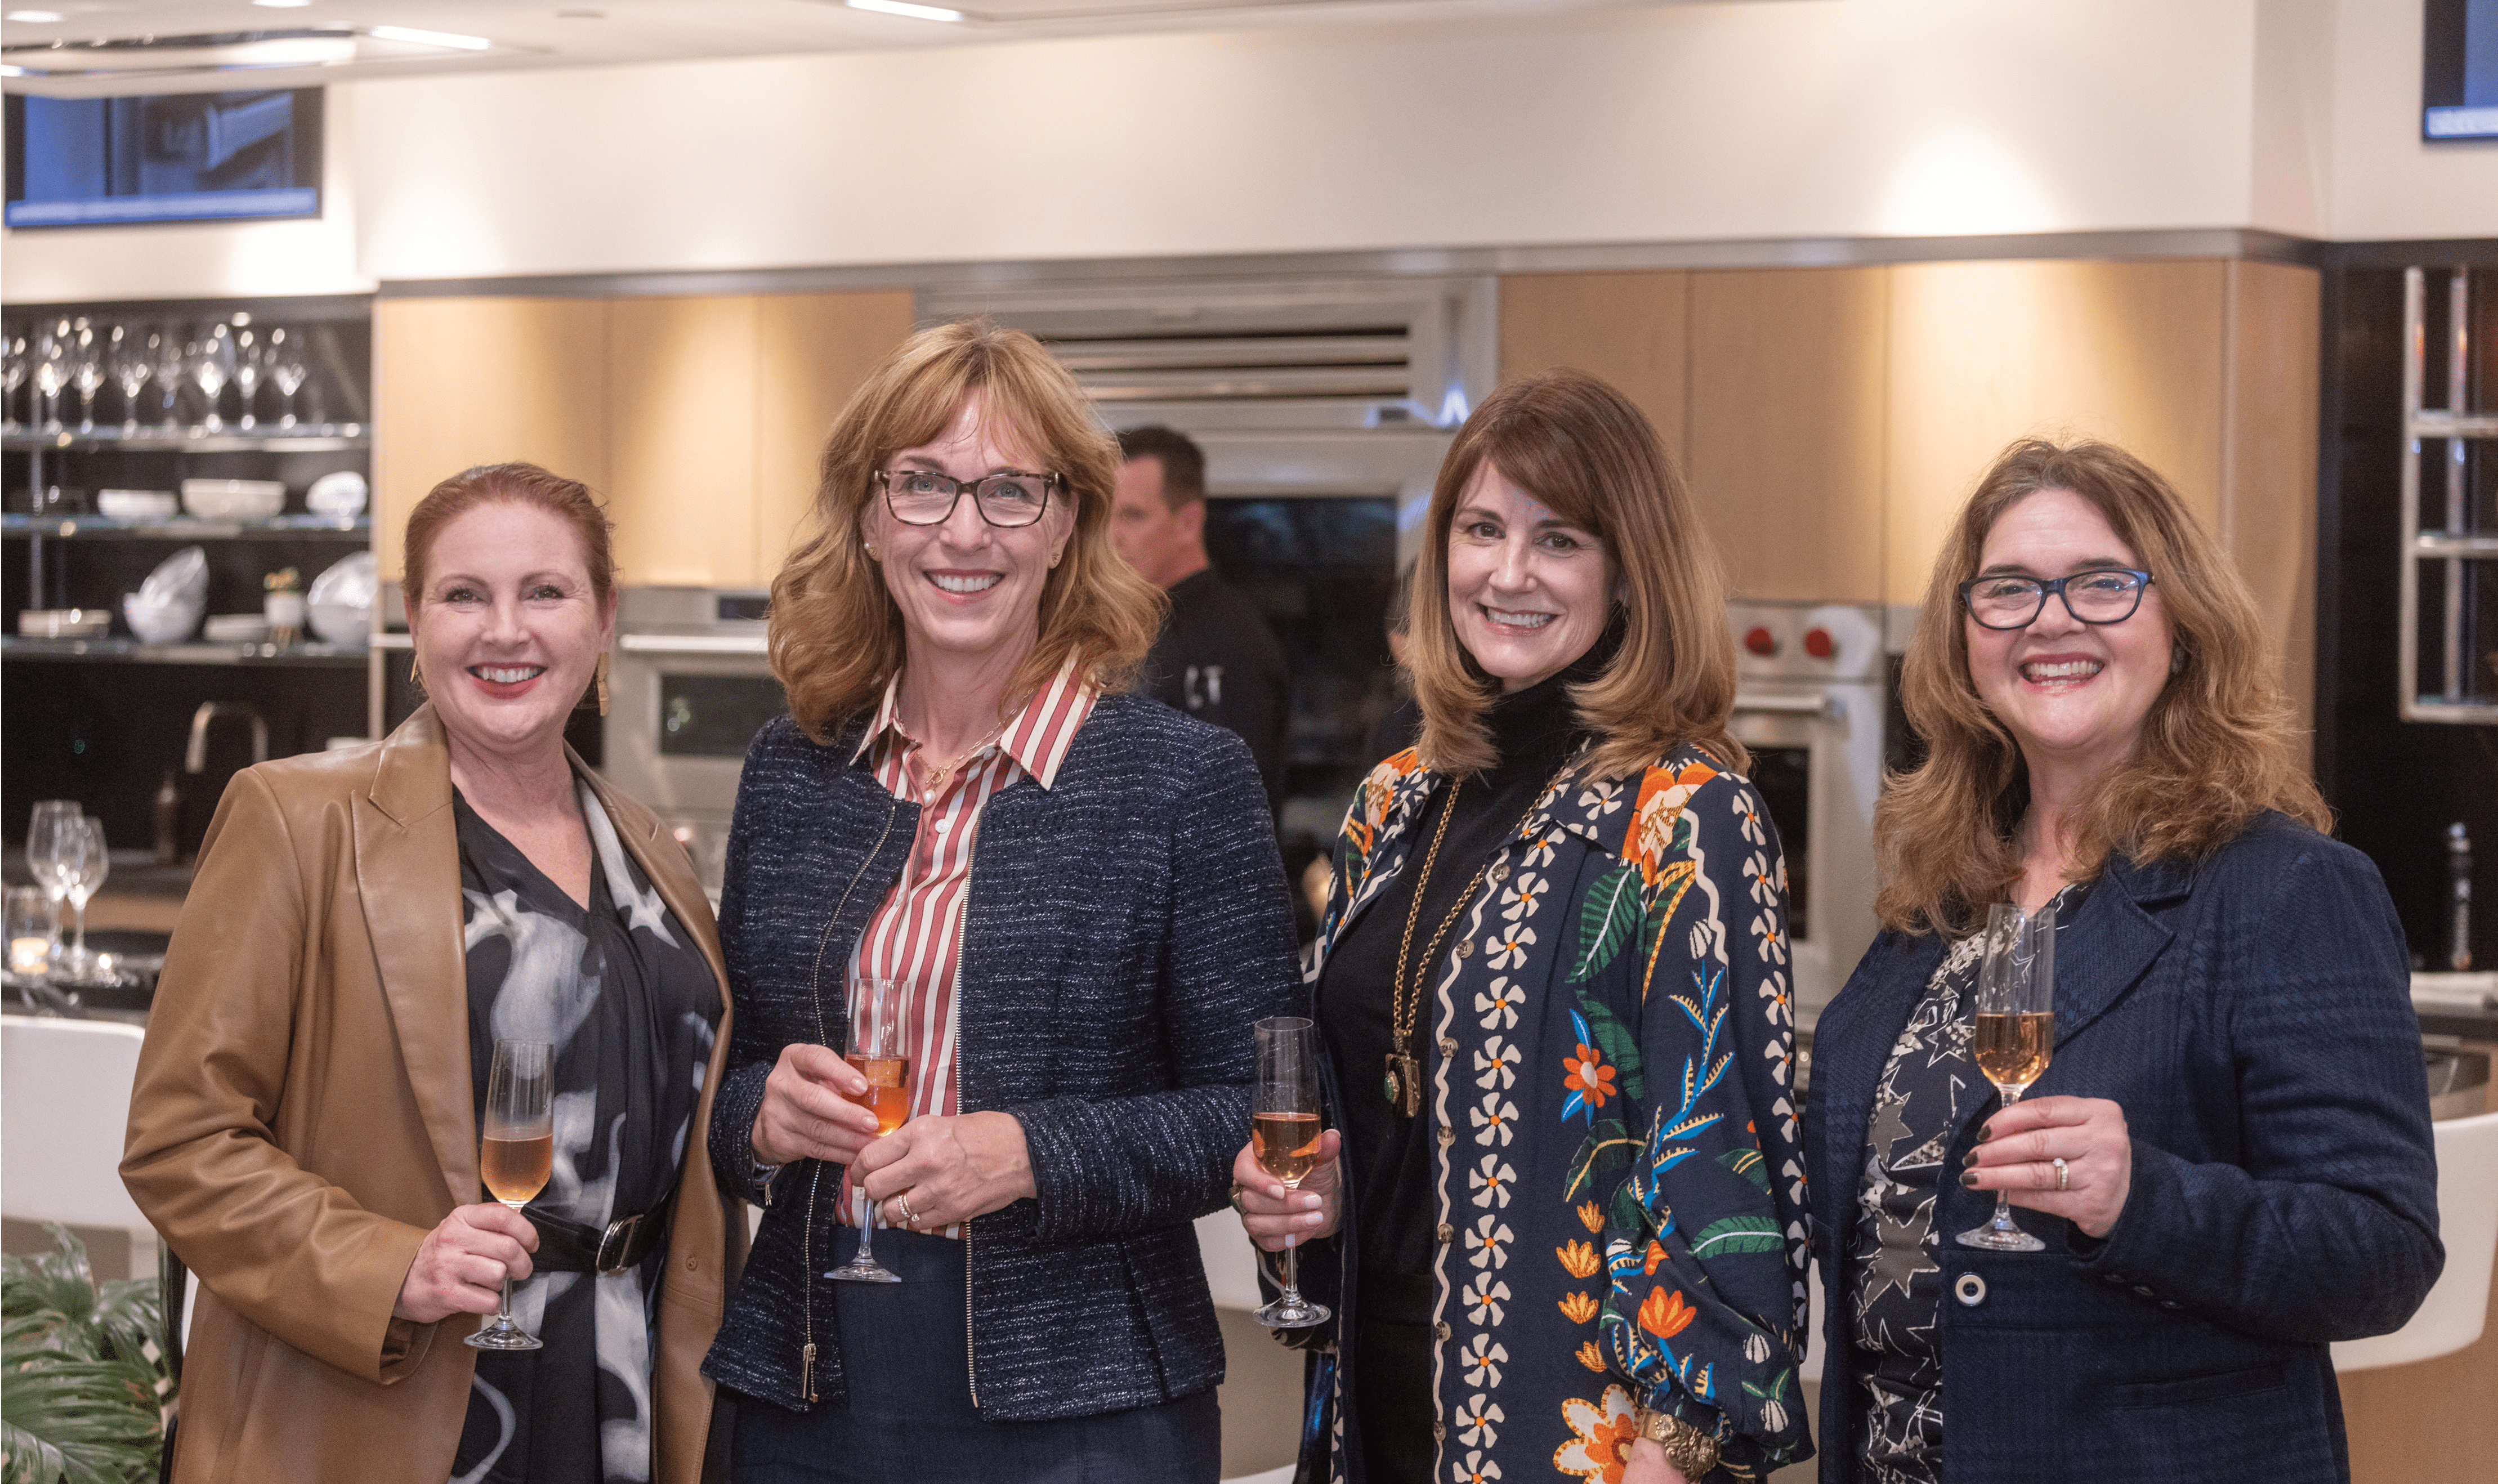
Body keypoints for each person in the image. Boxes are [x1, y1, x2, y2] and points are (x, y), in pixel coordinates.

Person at [700, 323, 1302, 1482]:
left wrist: (1033, 1150)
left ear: (1066, 521)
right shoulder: (794, 769)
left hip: (1084, 1403)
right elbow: (726, 1083)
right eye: (922, 484)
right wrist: (762, 1124)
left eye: (1008, 491)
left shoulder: (1180, 778)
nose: (962, 531)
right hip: (807, 1376)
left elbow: (1263, 1103)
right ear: (870, 517)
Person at [1802, 439, 2443, 1484]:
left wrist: (2138, 1197)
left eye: (2101, 584)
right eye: (2007, 590)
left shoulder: (2283, 889)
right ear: (1965, 637)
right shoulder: (1940, 899)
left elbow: (2381, 1253)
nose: (2051, 619)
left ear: (2180, 628)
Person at [1234, 370, 1814, 1484]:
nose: (1507, 573)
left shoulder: (1683, 815)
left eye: (1558, 541)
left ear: (1629, 574)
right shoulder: (1393, 801)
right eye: (1481, 529)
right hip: (1365, 1417)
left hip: (1573, 1436)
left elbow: (1726, 1173)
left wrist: (1671, 1456)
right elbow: (1391, 1107)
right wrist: (1310, 1206)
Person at [122, 462, 742, 1484]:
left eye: (546, 591)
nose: (507, 631)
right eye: (465, 595)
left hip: (617, 1397)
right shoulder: (296, 821)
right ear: (416, 621)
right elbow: (181, 1140)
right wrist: (388, 1266)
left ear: (603, 618)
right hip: (381, 1402)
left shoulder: (654, 854)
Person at [1112, 423, 1292, 814]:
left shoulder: (1230, 641)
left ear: (1188, 523)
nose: (1112, 536)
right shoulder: (1135, 627)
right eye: (1104, 517)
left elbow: (1232, 808)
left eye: (1132, 516)